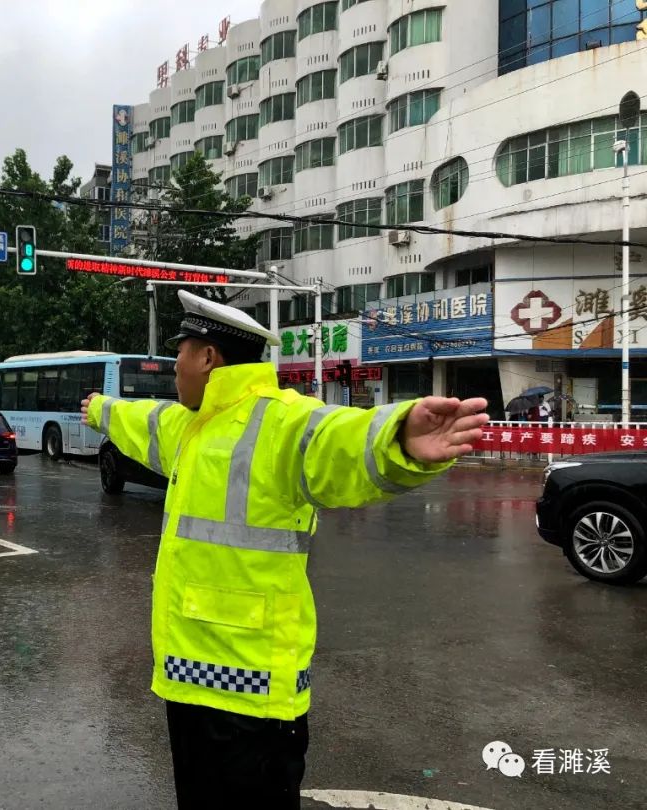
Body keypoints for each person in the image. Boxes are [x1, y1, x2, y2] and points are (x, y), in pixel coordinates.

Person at [80, 290, 489, 808]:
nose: (173, 368)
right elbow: (142, 420)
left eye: (180, 352)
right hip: (189, 685)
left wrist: (397, 437)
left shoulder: (279, 420)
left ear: (208, 357)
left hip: (253, 701)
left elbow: (338, 438)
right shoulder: (190, 428)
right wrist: (100, 409)